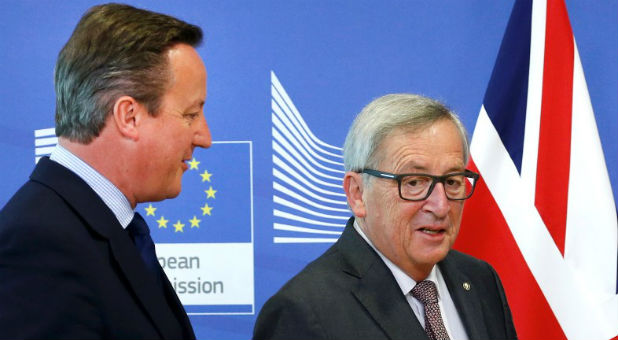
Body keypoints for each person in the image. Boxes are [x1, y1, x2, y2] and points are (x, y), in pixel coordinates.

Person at [0, 4, 211, 339]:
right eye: (190, 114)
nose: (205, 137)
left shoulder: (101, 228)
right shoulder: (38, 244)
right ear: (129, 116)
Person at [253, 94, 517, 340]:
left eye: (451, 181)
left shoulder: (481, 280)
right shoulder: (302, 312)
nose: (441, 206)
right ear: (357, 194)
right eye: (414, 182)